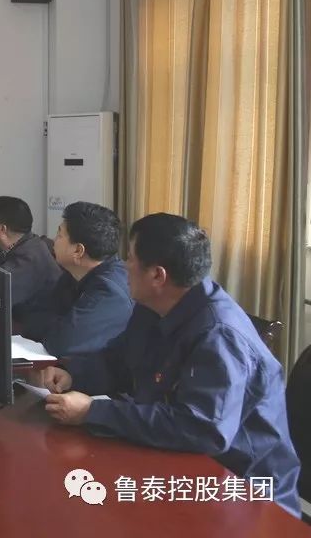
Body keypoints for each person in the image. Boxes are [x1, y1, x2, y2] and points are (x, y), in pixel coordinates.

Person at [40, 213, 300, 518]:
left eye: (131, 258)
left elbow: (202, 428)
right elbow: (121, 360)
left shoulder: (219, 335)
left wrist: (92, 411)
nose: (124, 265)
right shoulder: (154, 305)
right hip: (177, 457)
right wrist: (74, 374)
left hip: (244, 490)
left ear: (157, 275)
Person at [17, 202, 132, 356]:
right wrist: (60, 323)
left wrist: (58, 323)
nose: (54, 240)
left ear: (78, 250)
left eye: (60, 235)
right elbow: (33, 316)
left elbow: (61, 342)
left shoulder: (110, 292)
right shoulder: (74, 272)